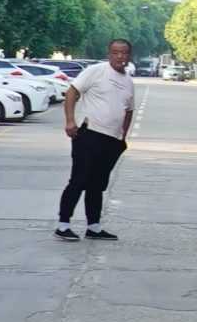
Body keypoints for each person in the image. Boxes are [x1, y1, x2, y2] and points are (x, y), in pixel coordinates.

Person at [56, 39, 138, 241]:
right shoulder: (96, 71)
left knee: (98, 184)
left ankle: (94, 227)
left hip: (112, 140)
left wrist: (123, 136)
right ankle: (63, 224)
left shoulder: (128, 81)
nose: (120, 56)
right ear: (109, 54)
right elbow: (72, 92)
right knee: (79, 180)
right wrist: (70, 121)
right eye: (116, 52)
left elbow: (128, 110)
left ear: (129, 55)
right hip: (90, 134)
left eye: (124, 53)